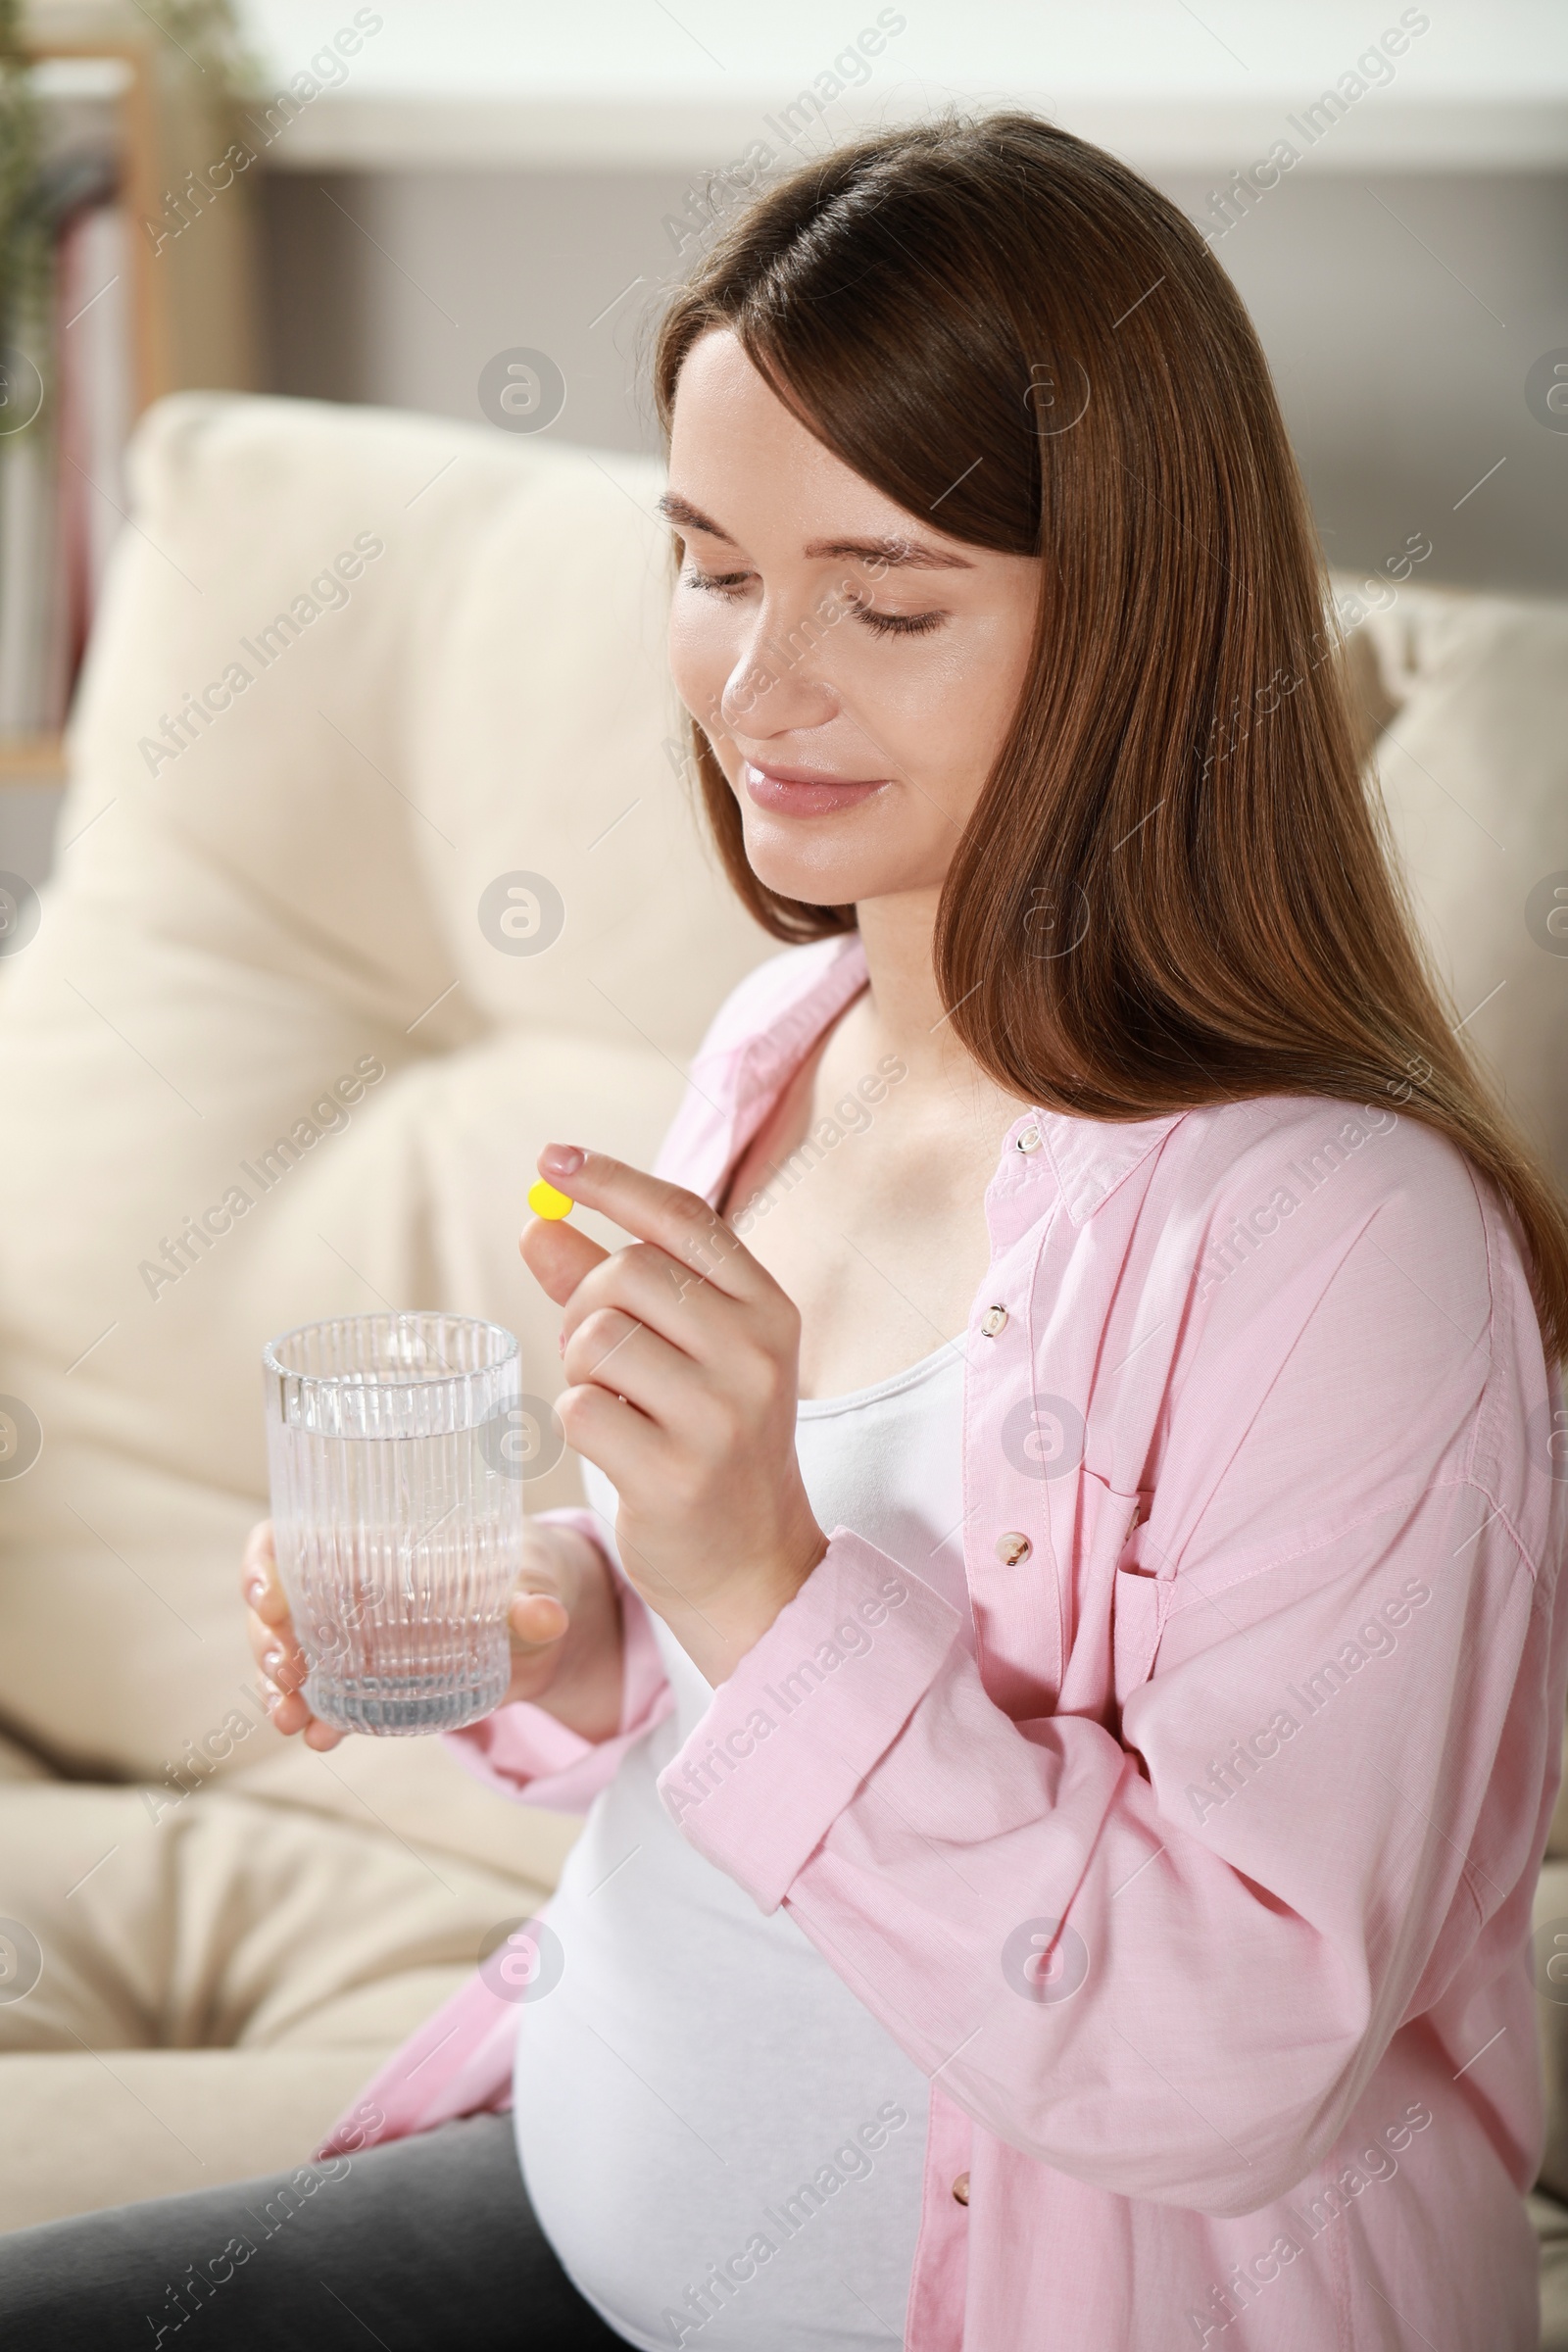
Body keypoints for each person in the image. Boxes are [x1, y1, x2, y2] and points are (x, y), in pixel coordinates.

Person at [3, 108, 1566, 2352]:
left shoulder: (1341, 1250)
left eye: (886, 597)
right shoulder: (785, 1037)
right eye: (713, 566)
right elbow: (755, 1639)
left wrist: (755, 1573)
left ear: (1136, 631)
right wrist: (564, 1613)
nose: (753, 688)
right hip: (562, 2194)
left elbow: (1233, 2054)